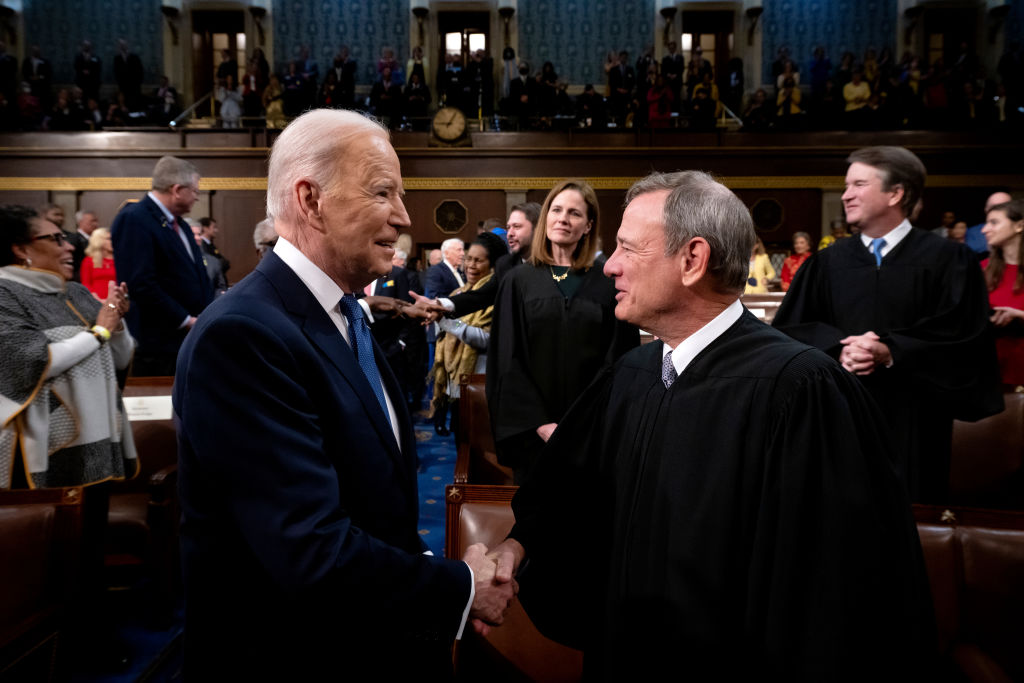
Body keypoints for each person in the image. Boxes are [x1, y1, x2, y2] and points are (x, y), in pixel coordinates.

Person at [484, 171, 935, 680]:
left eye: (628, 249)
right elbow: (570, 490)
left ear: (693, 260)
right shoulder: (631, 376)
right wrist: (517, 547)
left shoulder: (801, 391)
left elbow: (832, 596)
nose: (609, 266)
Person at [173, 109, 515, 681]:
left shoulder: (344, 315)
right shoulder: (242, 336)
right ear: (310, 201)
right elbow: (310, 553)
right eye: (383, 192)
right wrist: (459, 588)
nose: (404, 217)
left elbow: (371, 500)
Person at [773, 146, 1002, 503]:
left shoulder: (948, 259)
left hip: (917, 417)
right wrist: (840, 349)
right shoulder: (827, 263)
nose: (846, 194)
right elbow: (793, 328)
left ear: (896, 193)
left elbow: (963, 333)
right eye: (846, 185)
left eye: (859, 184)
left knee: (912, 519)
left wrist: (891, 350)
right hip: (839, 413)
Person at [0, 205, 136, 667]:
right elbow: (28, 362)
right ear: (20, 249)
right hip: (42, 447)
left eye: (65, 238)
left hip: (95, 441)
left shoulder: (74, 290)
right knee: (52, 558)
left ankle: (90, 638)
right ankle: (48, 650)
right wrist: (101, 330)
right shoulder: (5, 295)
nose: (67, 246)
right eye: (53, 239)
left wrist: (116, 326)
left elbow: (116, 358)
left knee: (88, 551)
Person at [487, 179, 639, 480]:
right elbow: (507, 359)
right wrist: (541, 424)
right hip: (532, 434)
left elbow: (618, 357)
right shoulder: (518, 281)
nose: (563, 219)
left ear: (588, 225)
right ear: (545, 219)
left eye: (574, 213)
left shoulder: (608, 282)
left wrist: (582, 424)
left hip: (592, 434)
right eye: (556, 210)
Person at [110, 155, 213, 376]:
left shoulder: (182, 225)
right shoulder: (135, 218)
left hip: (187, 339)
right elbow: (140, 283)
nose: (197, 197)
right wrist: (185, 320)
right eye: (195, 191)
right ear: (177, 190)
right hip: (158, 344)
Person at [409, 202, 541, 321]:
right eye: (508, 227)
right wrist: (438, 304)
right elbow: (480, 296)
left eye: (516, 227)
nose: (509, 233)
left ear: (537, 228)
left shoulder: (558, 264)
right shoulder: (506, 264)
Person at [430, 233, 508, 436]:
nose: (471, 265)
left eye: (478, 260)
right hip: (455, 385)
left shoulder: (499, 297)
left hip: (482, 384)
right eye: (468, 259)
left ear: (492, 266)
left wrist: (446, 321)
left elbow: (488, 339)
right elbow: (443, 335)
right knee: (461, 442)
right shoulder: (457, 294)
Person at [981, 199, 1024, 387]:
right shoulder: (982, 270)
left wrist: (1020, 316)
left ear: (1019, 226)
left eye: (994, 222)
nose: (984, 229)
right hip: (992, 371)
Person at [965, 191, 1012, 256]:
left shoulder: (1018, 232)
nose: (997, 210)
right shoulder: (972, 232)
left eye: (1003, 206)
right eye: (993, 207)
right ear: (986, 209)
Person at [80, 226, 116, 299]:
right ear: (99, 241)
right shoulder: (89, 261)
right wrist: (97, 300)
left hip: (117, 301)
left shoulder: (119, 260)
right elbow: (86, 284)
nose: (113, 241)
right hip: (96, 302)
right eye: (109, 239)